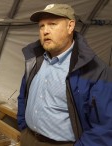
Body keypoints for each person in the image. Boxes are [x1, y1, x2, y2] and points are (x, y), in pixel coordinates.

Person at [17, 3, 112, 146]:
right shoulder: (35, 60)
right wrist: (23, 127)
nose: (45, 31)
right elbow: (24, 96)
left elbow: (105, 126)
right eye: (41, 26)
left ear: (70, 26)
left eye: (52, 24)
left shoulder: (95, 70)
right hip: (28, 138)